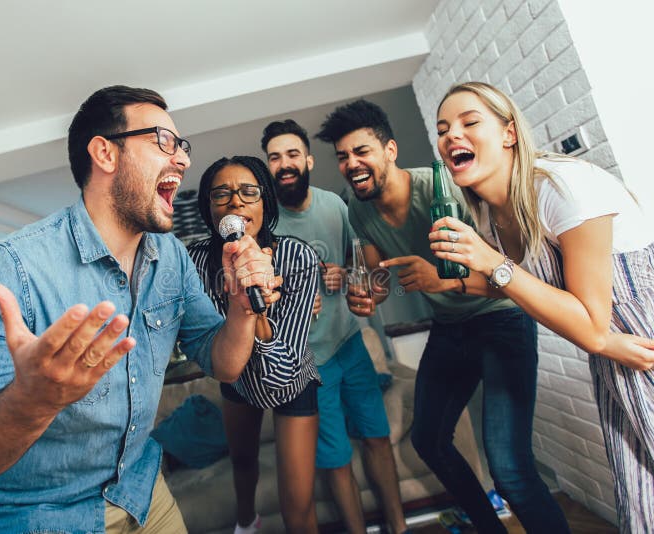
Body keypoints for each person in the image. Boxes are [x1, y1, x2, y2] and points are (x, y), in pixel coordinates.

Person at [0, 85, 279, 534]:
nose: (184, 160)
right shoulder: (13, 267)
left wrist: (241, 307)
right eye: (164, 142)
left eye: (182, 147)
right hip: (44, 516)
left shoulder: (170, 256)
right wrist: (33, 400)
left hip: (144, 492)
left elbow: (224, 363)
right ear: (105, 154)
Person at [316, 99, 570, 533]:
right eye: (342, 157)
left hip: (501, 319)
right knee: (430, 441)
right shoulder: (358, 209)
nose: (351, 164)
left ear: (390, 150)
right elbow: (380, 276)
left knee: (509, 468)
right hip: (452, 328)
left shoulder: (441, 190)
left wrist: (442, 280)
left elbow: (509, 276)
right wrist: (363, 294)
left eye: (361, 151)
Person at [431, 81, 654, 533]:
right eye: (443, 129)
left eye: (470, 122)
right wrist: (443, 276)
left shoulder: (560, 188)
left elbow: (591, 327)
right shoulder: (495, 214)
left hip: (640, 337)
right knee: (641, 496)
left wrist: (491, 262)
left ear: (510, 133)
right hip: (613, 354)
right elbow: (526, 288)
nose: (451, 135)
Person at [261, 119, 410, 534]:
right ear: (268, 166)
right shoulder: (264, 227)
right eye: (275, 158)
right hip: (308, 363)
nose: (284, 164)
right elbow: (258, 301)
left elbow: (365, 268)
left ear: (308, 160)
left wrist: (343, 274)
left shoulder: (335, 205)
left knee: (377, 438)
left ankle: (400, 528)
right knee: (337, 457)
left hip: (350, 345)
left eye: (292, 154)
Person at [187, 155, 320, 534]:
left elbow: (280, 373)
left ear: (266, 202)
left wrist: (254, 306)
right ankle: (247, 523)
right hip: (237, 378)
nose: (235, 202)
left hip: (291, 378)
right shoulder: (193, 263)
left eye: (249, 191)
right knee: (242, 464)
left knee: (298, 506)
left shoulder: (297, 257)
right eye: (221, 195)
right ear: (209, 209)